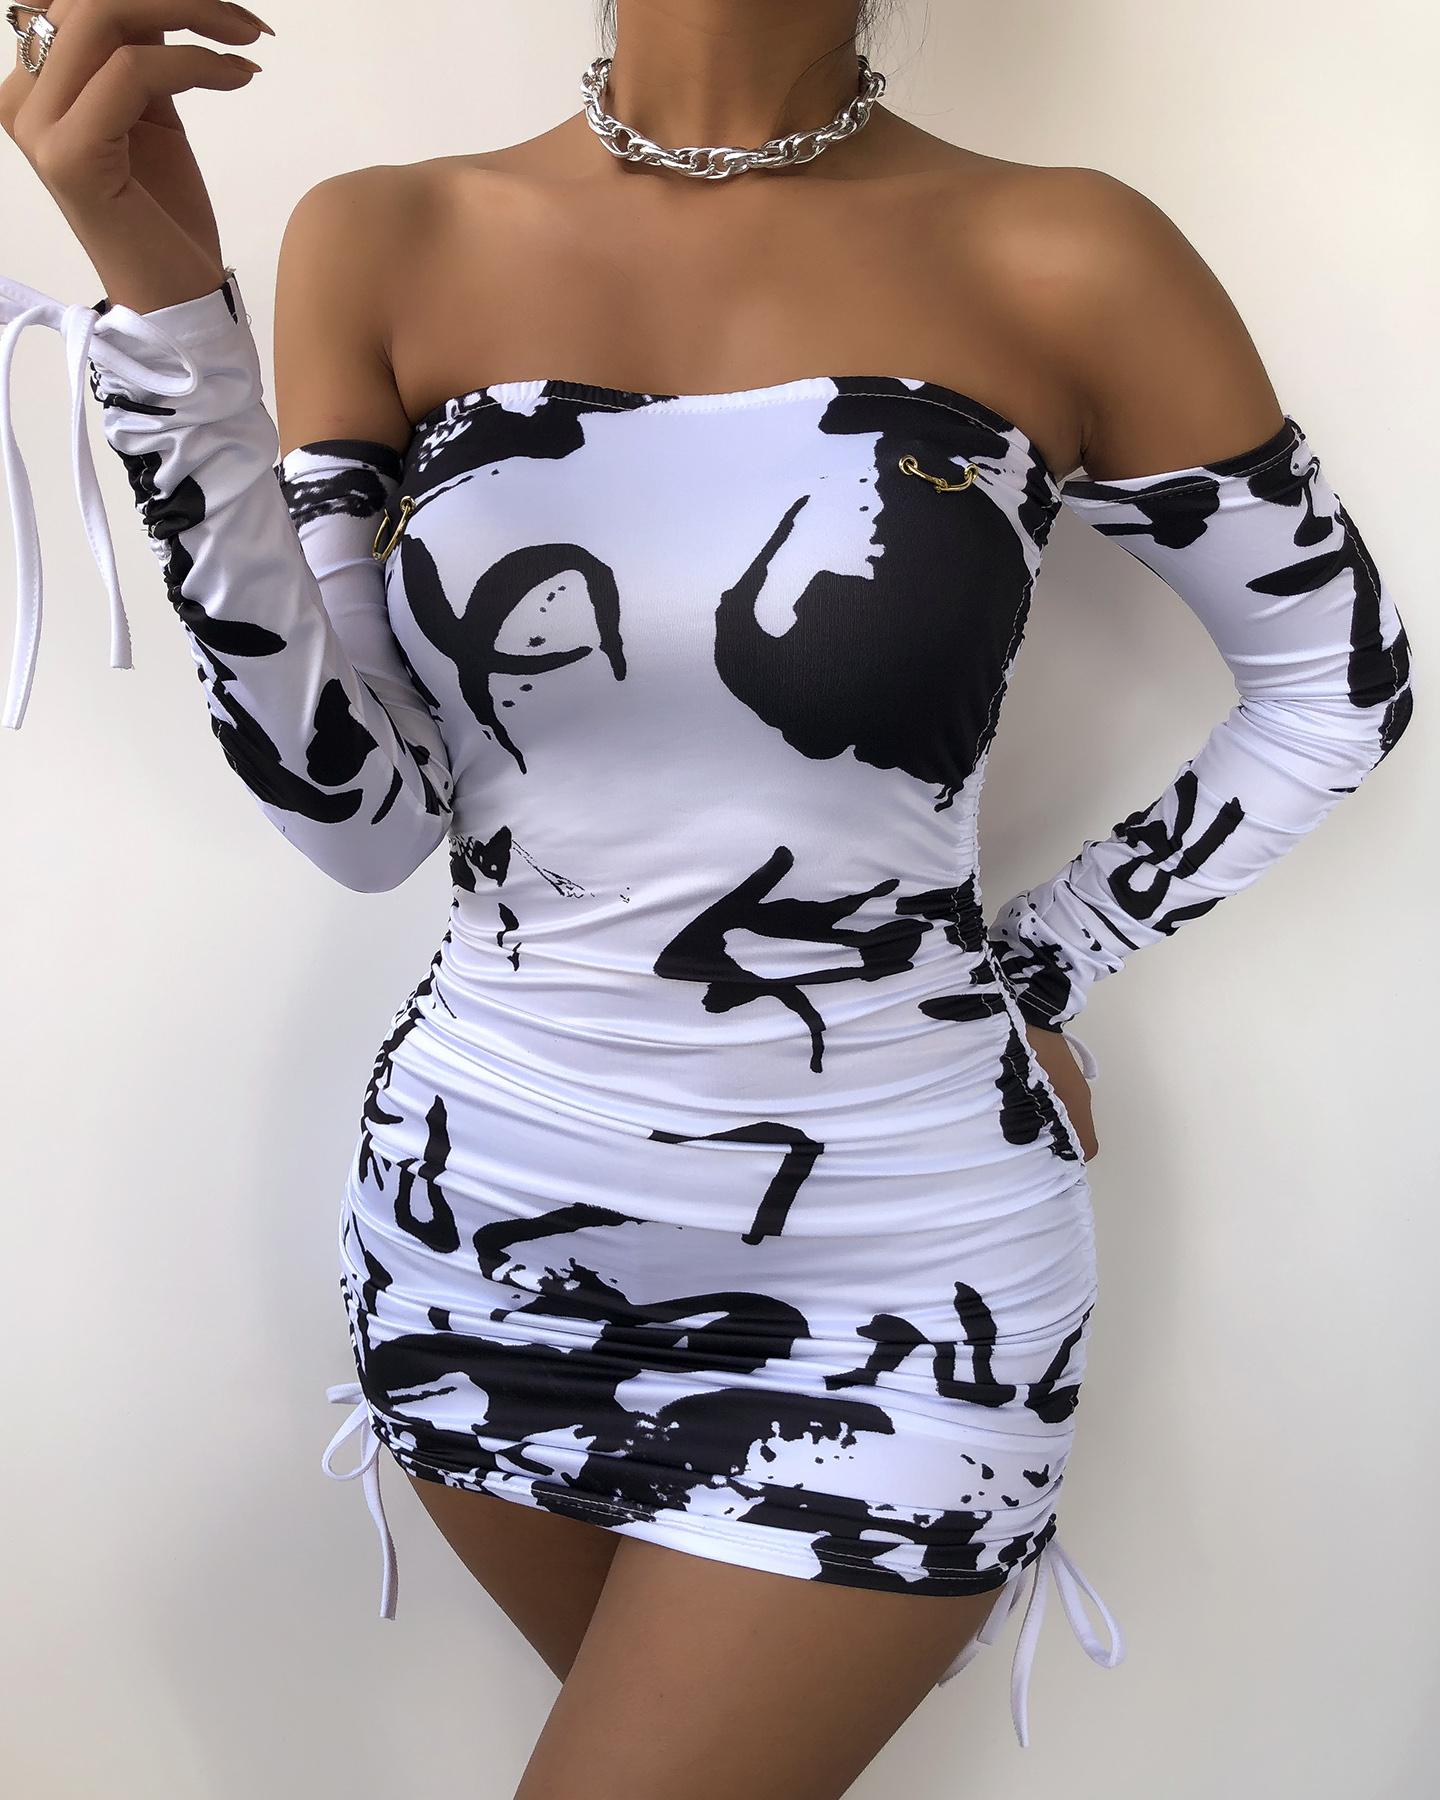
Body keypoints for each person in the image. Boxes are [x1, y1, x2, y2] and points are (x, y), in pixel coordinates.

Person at [0, 1, 1415, 1794]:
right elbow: (359, 815)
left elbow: (1337, 683)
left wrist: (1035, 968)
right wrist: (163, 315)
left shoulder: (1065, 251)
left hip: (900, 1269)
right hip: (482, 1235)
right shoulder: (387, 231)